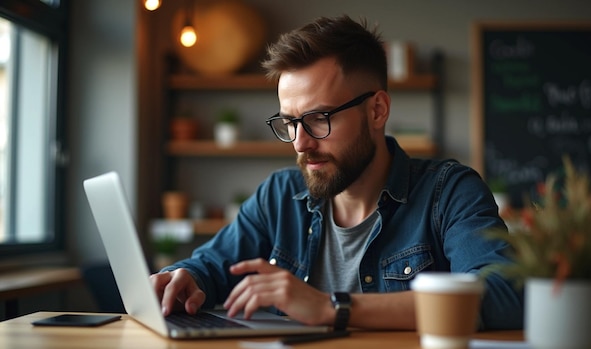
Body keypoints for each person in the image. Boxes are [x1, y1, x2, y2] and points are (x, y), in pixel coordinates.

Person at [150, 14, 523, 331]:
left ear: (377, 110)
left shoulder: (450, 193)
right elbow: (210, 266)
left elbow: (505, 295)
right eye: (290, 122)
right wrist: (184, 279)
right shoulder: (279, 197)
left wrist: (333, 307)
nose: (300, 143)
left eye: (318, 119)